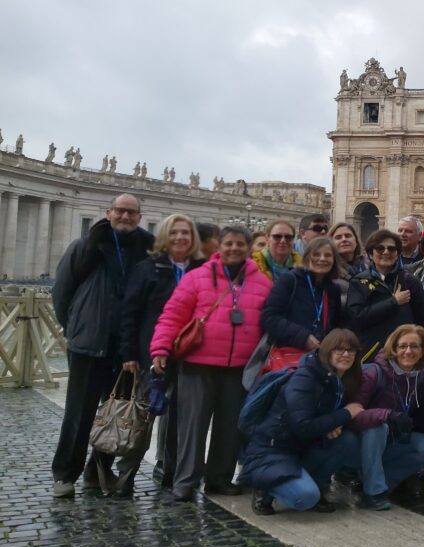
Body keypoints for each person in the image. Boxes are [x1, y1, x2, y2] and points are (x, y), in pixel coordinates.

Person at [151, 225, 273, 501]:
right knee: (192, 427)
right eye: (229, 243)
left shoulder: (262, 283)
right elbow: (172, 315)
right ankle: (185, 481)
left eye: (240, 244)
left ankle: (219, 478)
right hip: (197, 364)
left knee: (229, 427)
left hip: (239, 368)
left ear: (248, 247)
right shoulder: (197, 277)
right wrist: (160, 347)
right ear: (219, 246)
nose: (234, 249)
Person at [51, 193, 155, 498]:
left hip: (126, 349)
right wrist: (75, 329)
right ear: (108, 212)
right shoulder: (84, 247)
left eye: (131, 212)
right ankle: (64, 473)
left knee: (119, 413)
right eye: (120, 211)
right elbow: (61, 293)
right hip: (89, 344)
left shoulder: (147, 251)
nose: (125, 216)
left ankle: (97, 469)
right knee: (79, 412)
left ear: (139, 217)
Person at [119, 213, 201, 493]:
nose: (180, 237)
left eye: (186, 233)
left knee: (181, 418)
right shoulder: (147, 268)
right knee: (142, 416)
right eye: (175, 232)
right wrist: (129, 352)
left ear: (193, 239)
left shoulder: (201, 269)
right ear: (165, 236)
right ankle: (126, 474)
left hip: (191, 355)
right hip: (151, 354)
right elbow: (129, 313)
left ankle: (170, 471)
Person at [240, 329, 364, 514]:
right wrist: (344, 415)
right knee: (305, 498)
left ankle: (315, 483)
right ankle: (265, 487)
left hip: (303, 447)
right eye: (339, 349)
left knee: (348, 442)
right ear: (326, 350)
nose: (346, 354)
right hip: (275, 449)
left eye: (351, 350)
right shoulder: (304, 379)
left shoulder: (341, 379)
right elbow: (302, 426)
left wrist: (334, 425)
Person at [346, 324, 424, 508]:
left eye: (414, 346)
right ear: (394, 348)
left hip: (395, 437)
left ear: (423, 351)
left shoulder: (420, 376)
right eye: (403, 346)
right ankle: (373, 493)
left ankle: (379, 482)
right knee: (377, 427)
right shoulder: (374, 372)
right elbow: (353, 414)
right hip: (364, 441)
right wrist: (387, 415)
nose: (408, 351)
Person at [348, 230, 424, 359]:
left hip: (404, 355)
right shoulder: (358, 281)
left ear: (398, 253)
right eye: (380, 248)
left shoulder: (410, 281)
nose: (386, 252)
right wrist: (393, 302)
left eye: (392, 249)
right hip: (370, 353)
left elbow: (423, 321)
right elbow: (357, 319)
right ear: (370, 254)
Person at [261, 237, 346, 356]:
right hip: (289, 355)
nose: (322, 259)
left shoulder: (333, 289)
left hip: (320, 356)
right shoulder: (290, 280)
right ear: (306, 257)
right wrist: (303, 337)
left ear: (334, 260)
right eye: (316, 254)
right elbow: (270, 317)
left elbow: (335, 324)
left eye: (328, 255)